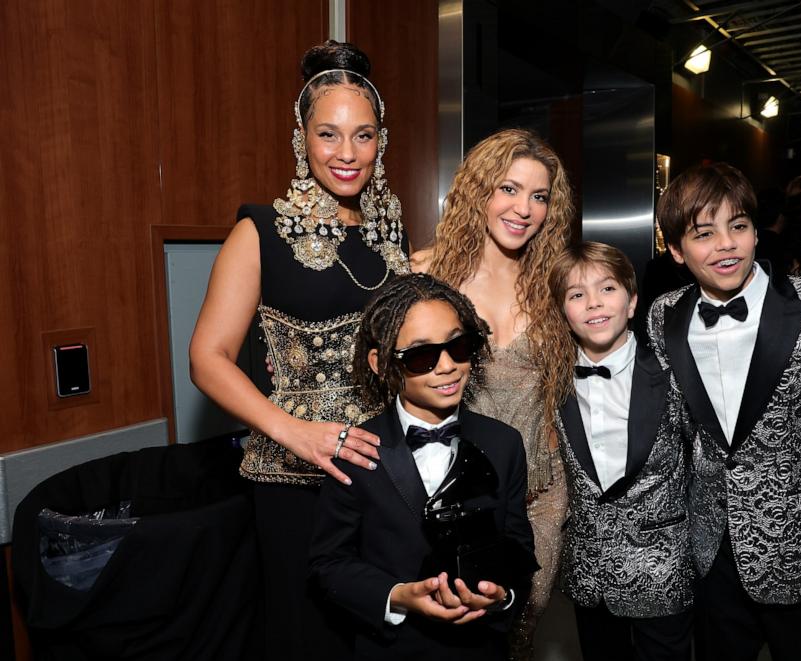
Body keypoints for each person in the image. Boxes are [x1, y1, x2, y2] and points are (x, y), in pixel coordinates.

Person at [188, 40, 408, 659]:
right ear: (301, 138)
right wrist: (298, 432)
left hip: (384, 468)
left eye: (363, 136)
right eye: (328, 134)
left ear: (380, 143)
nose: (346, 154)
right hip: (294, 479)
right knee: (307, 634)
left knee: (382, 628)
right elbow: (207, 358)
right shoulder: (257, 230)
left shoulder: (392, 232)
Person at [647, 163, 801, 661]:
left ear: (757, 231)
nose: (726, 245)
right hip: (711, 553)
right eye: (703, 233)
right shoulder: (663, 315)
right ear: (675, 250)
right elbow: (668, 438)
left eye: (738, 226)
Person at [309, 273, 537, 660]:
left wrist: (502, 597)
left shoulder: (504, 443)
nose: (447, 366)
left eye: (458, 346)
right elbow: (329, 564)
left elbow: (517, 547)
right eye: (421, 355)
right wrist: (399, 596)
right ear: (382, 364)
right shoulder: (357, 451)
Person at [411, 128, 575, 660]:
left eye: (539, 196)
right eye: (508, 188)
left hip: (541, 498)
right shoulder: (428, 276)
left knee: (516, 637)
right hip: (458, 499)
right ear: (480, 190)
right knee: (457, 639)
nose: (523, 208)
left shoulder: (556, 283)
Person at [548, 242, 694, 661]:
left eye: (607, 289)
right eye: (576, 295)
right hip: (590, 576)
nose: (593, 303)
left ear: (632, 302)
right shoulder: (553, 383)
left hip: (663, 571)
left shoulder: (673, 372)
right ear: (563, 312)